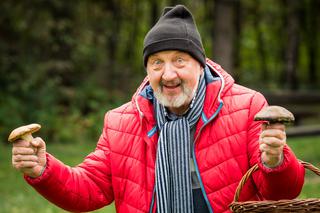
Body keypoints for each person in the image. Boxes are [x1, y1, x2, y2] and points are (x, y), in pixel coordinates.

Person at [11, 4, 305, 213]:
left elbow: (282, 192)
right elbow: (89, 189)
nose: (168, 74)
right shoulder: (120, 121)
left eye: (180, 60)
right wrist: (43, 170)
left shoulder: (248, 107)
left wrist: (275, 160)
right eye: (157, 63)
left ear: (200, 66)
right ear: (148, 70)